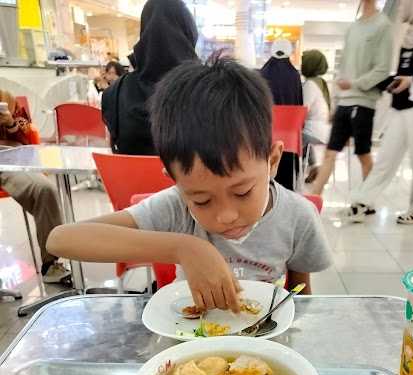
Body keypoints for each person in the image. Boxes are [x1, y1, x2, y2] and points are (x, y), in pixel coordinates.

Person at [48, 57, 332, 310]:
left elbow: (299, 295)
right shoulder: (176, 208)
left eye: (242, 192)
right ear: (175, 181)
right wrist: (182, 248)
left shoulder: (297, 217)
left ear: (272, 161)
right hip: (190, 343)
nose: (226, 215)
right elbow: (60, 239)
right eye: (202, 200)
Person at [348, 0, 413, 224]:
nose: (403, 8)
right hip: (401, 107)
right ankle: (364, 200)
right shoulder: (408, 39)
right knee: (386, 157)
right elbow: (406, 72)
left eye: (407, 4)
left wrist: (412, 80)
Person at [309, 0, 393, 197]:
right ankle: (314, 198)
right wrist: (336, 102)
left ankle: (367, 200)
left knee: (363, 154)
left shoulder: (384, 26)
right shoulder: (353, 28)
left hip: (364, 102)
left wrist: (355, 84)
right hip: (345, 102)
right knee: (330, 152)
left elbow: (382, 69)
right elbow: (343, 68)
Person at [102, 0, 198, 155]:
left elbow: (114, 149)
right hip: (190, 179)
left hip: (129, 179)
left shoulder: (114, 93)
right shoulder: (209, 93)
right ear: (189, 33)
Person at [0, 90, 70, 284]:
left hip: (8, 157)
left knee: (44, 189)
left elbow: (26, 141)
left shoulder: (6, 100)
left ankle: (51, 263)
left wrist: (11, 124)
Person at [260, 39, 303, 191]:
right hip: (290, 138)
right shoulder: (294, 75)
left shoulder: (262, 74)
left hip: (266, 134)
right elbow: (299, 104)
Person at [301, 49, 331, 183]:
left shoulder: (310, 85)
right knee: (302, 137)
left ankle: (295, 172)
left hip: (314, 130)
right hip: (322, 130)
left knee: (293, 137)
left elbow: (302, 110)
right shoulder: (321, 82)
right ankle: (313, 166)